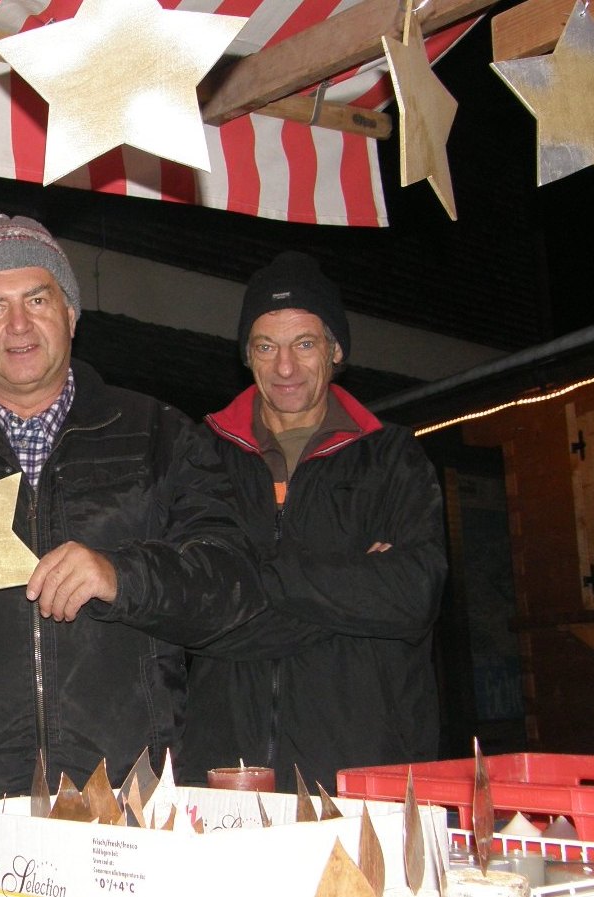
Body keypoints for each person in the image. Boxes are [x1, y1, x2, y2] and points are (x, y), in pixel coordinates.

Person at [0, 214, 260, 803]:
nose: (18, 324)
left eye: (37, 299)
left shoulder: (160, 435)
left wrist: (122, 575)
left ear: (71, 314)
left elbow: (233, 584)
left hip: (128, 794)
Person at [179, 250, 447, 794]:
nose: (285, 368)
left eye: (304, 344)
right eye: (266, 346)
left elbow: (414, 594)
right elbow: (188, 606)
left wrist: (252, 578)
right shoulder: (200, 455)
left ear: (335, 349)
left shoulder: (391, 457)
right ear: (247, 356)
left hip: (364, 768)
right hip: (225, 770)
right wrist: (354, 580)